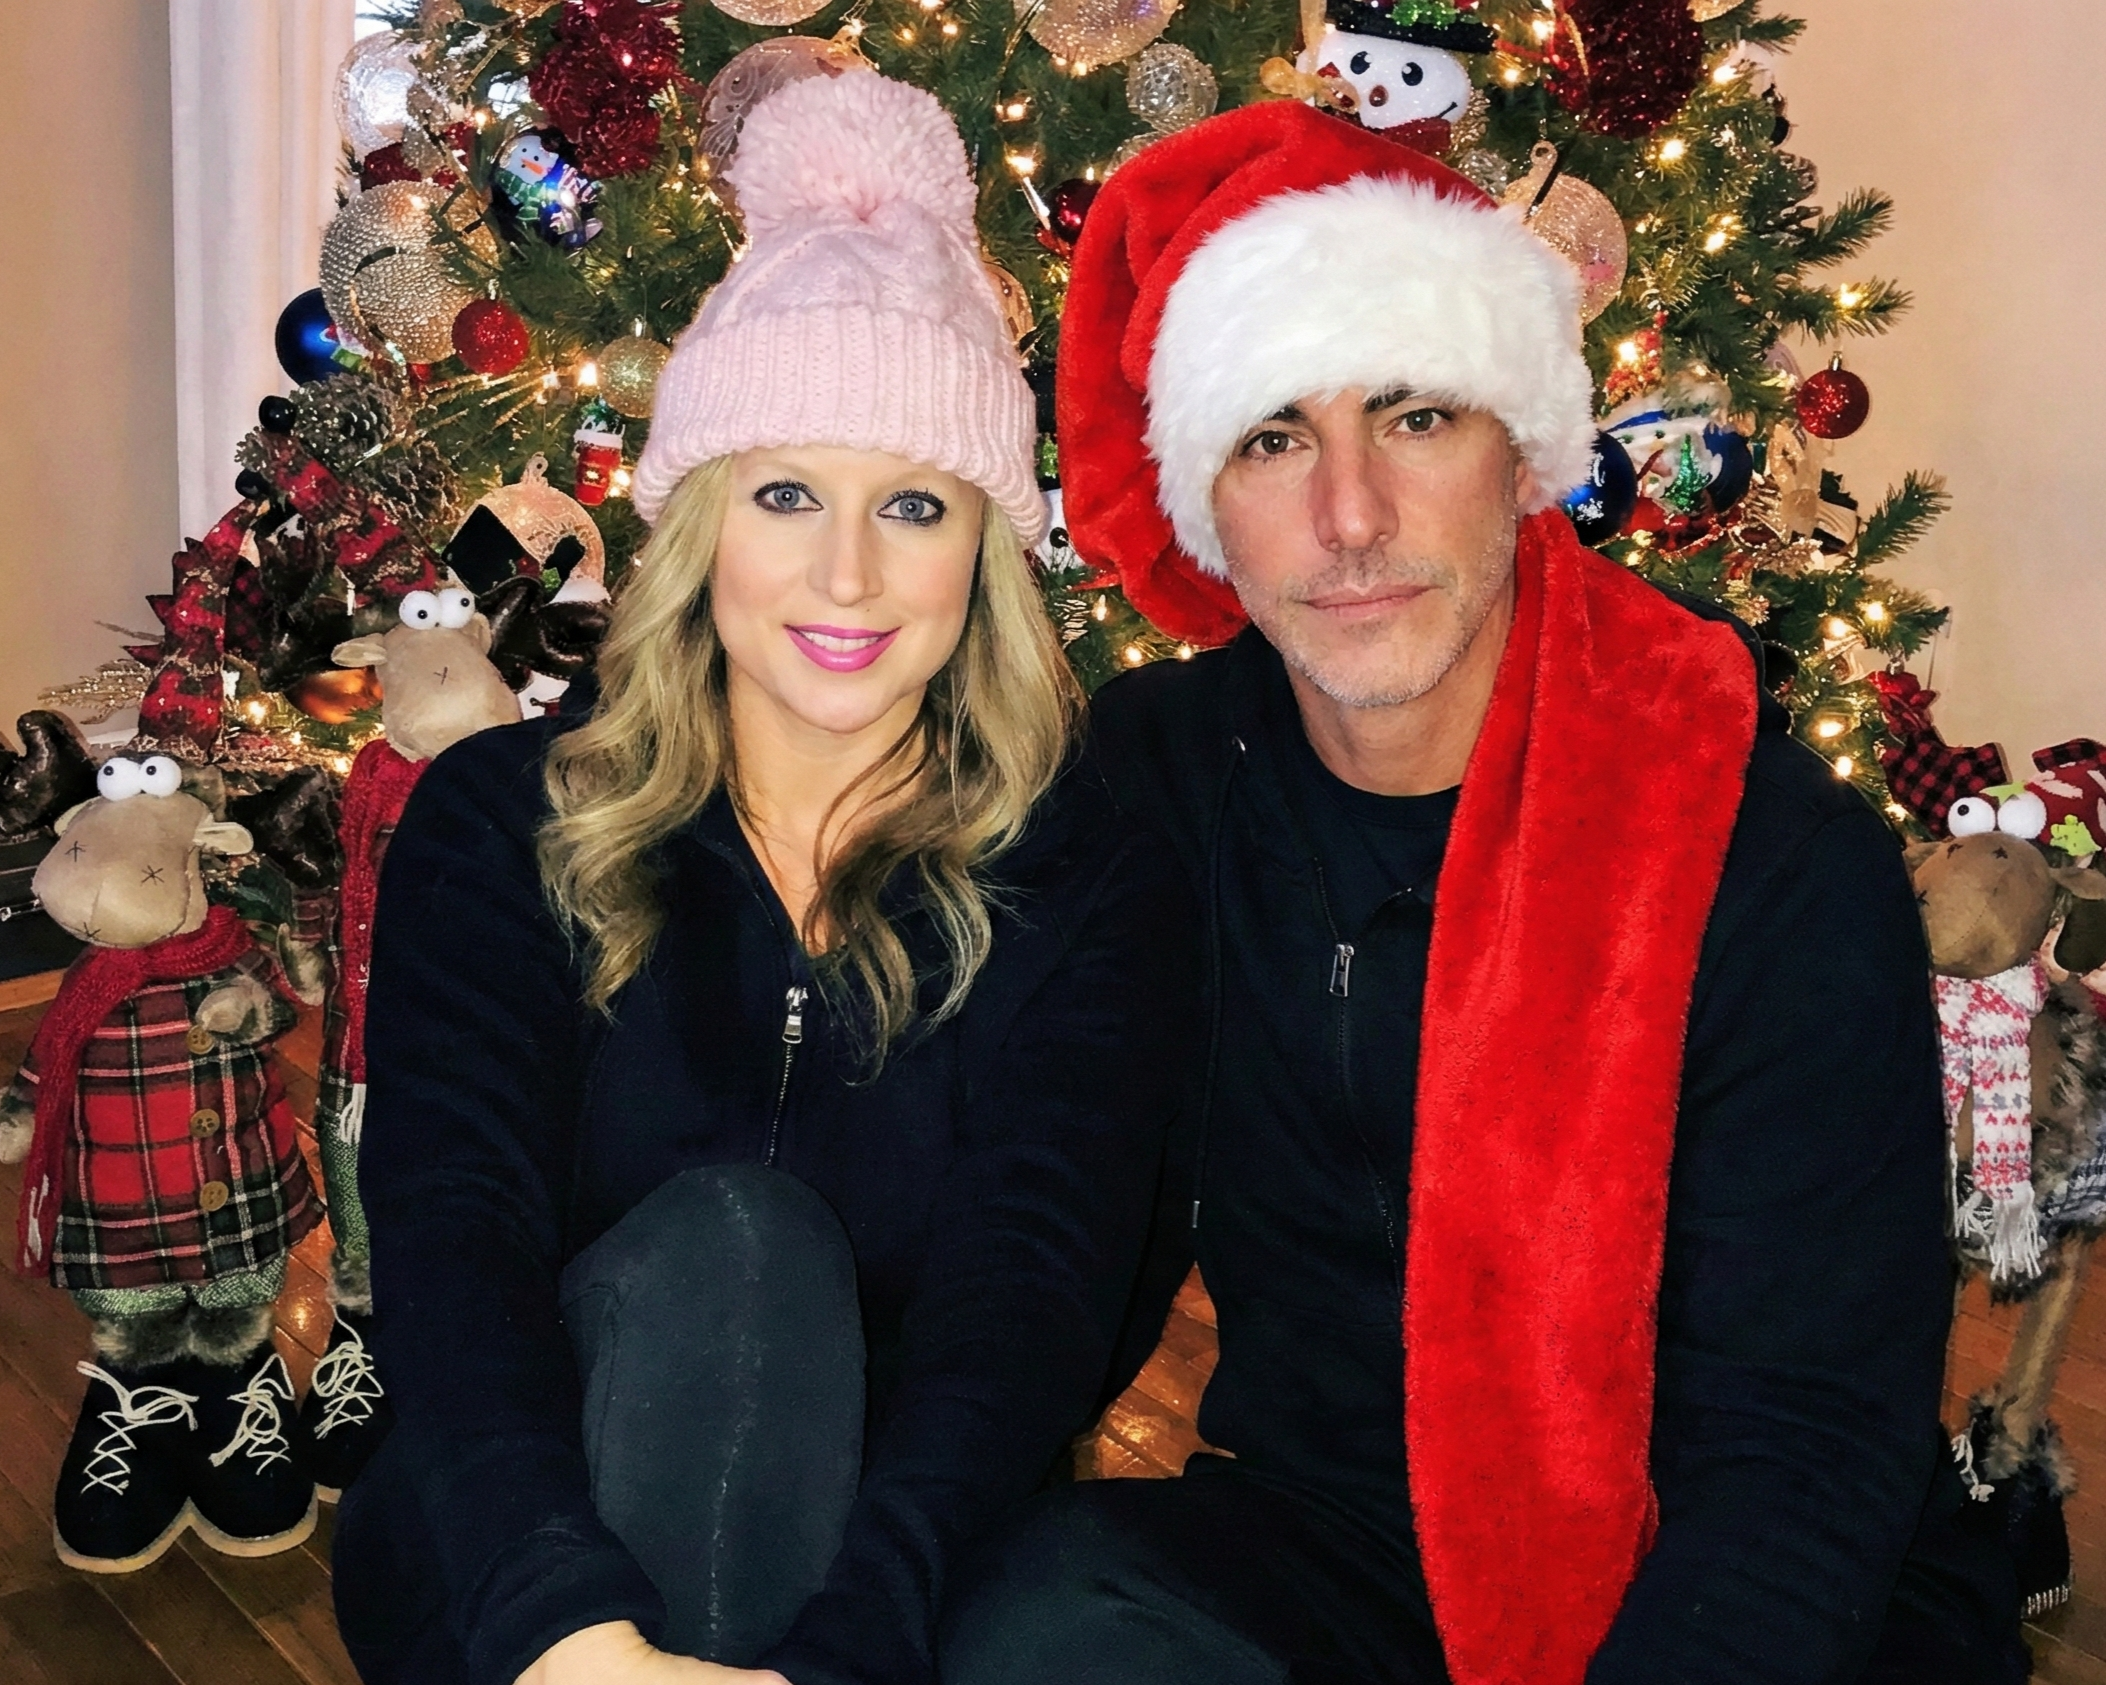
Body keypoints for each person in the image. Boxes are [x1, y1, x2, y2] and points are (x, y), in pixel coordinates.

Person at [938, 102, 2027, 1685]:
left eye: (1414, 414)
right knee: (1030, 1618)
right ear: (1200, 508)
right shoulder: (1155, 781)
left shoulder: (1757, 847)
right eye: (1269, 437)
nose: (1350, 517)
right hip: (1338, 1536)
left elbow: (1801, 1444)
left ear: (1519, 449)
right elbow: (1050, 1231)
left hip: (1736, 1568)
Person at [330, 71, 1195, 1685]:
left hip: (897, 1574)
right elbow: (454, 1243)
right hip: (522, 1566)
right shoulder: (504, 822)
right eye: (786, 493)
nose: (846, 574)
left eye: (913, 505)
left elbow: (1031, 1301)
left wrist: (849, 1647)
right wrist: (567, 1631)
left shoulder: (1086, 874)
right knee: (737, 1250)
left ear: (985, 553)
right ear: (701, 528)